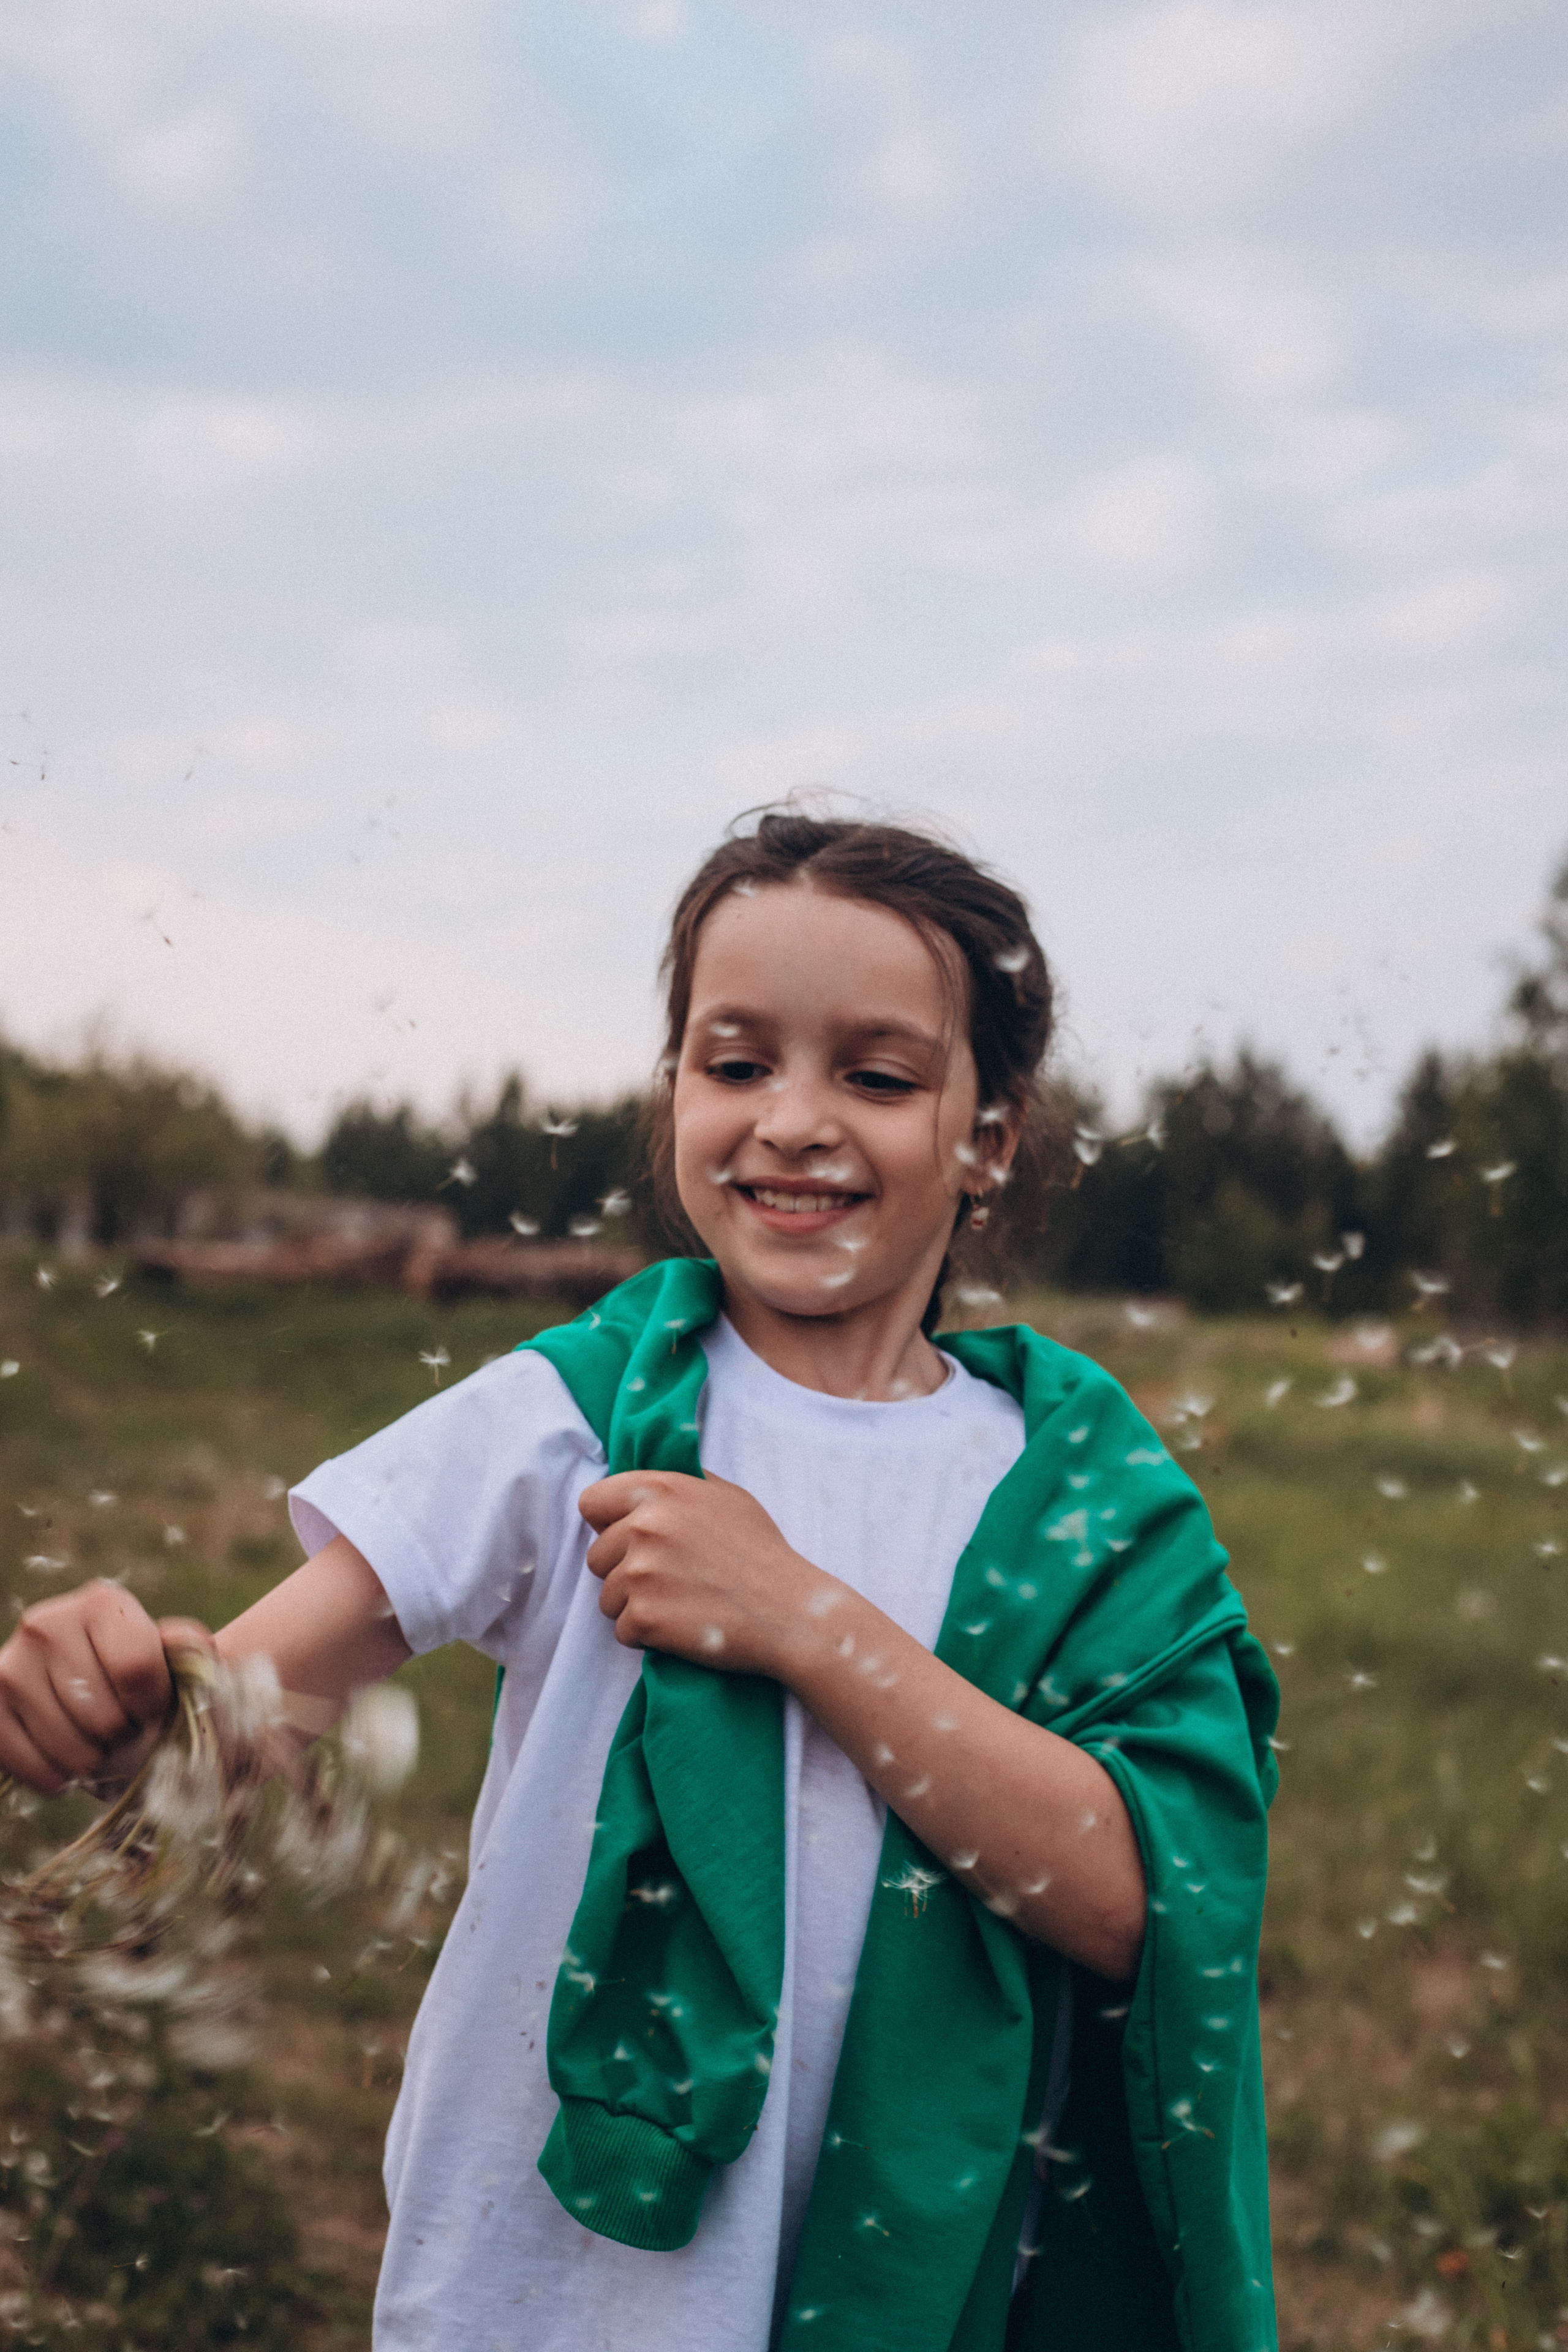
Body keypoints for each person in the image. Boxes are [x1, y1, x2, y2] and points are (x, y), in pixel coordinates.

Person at [0, 812, 1279, 2352]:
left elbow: (1146, 1899)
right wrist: (128, 1695)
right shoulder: (564, 1417)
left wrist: (803, 1622)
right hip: (543, 2287)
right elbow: (252, 1703)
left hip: (911, 2281)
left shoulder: (1077, 1493)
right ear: (674, 1087)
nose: (790, 1122)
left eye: (875, 1078)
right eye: (735, 1063)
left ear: (987, 1138)